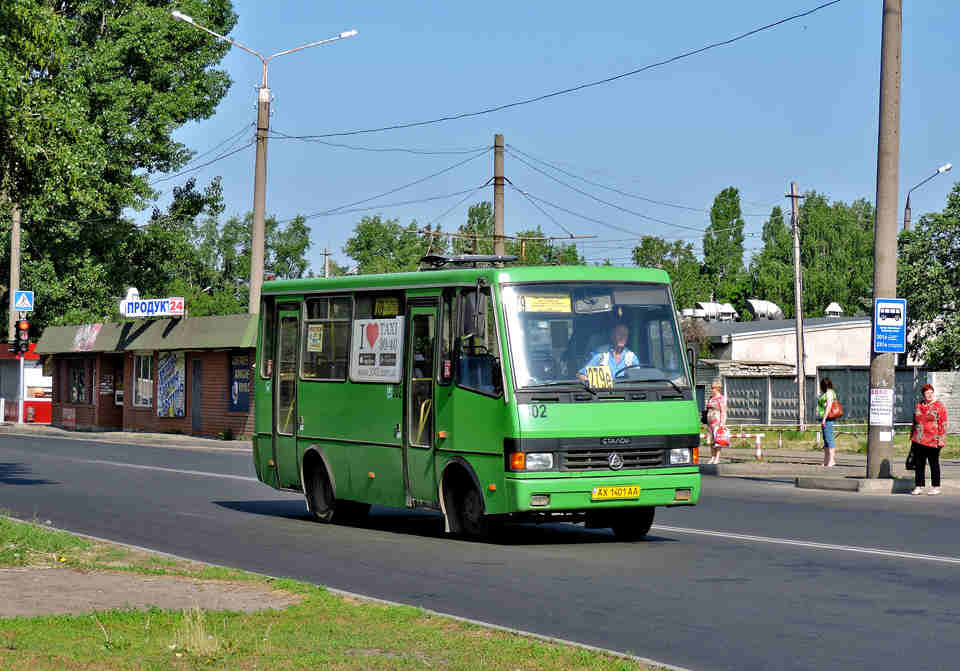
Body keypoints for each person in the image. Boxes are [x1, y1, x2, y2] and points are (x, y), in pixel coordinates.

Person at [910, 384, 947, 495]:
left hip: (933, 440)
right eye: (927, 393)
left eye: (931, 392)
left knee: (933, 464)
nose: (929, 395)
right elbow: (914, 422)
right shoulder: (918, 406)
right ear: (923, 395)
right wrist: (912, 436)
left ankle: (936, 487)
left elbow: (943, 423)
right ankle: (919, 486)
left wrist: (941, 439)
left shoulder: (938, 406)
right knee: (919, 464)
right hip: (919, 439)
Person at [706, 378, 727, 464]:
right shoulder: (711, 398)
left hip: (717, 421)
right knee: (710, 440)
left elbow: (723, 412)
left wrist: (722, 423)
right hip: (709, 422)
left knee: (717, 440)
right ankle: (712, 457)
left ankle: (717, 458)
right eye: (712, 388)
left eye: (713, 388)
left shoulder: (721, 398)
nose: (712, 390)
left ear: (718, 388)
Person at [818, 377, 838, 467]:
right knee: (826, 440)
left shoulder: (829, 393)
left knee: (829, 439)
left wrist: (824, 418)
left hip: (828, 418)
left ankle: (832, 460)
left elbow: (829, 406)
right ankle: (826, 460)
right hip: (826, 418)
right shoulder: (828, 392)